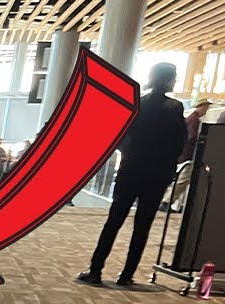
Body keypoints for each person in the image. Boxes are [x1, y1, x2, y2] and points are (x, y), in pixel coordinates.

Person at [78, 63, 187, 287]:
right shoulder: (175, 107)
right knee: (142, 226)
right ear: (168, 80)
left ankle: (95, 269)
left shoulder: (136, 103)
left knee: (113, 221)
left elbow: (118, 134)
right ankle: (126, 275)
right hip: (157, 174)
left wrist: (129, 153)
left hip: (131, 169)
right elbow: (179, 142)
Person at [180, 100, 211, 164]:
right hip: (188, 151)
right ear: (200, 107)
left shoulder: (192, 117)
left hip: (185, 150)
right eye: (206, 108)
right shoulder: (194, 120)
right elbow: (192, 136)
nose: (206, 111)